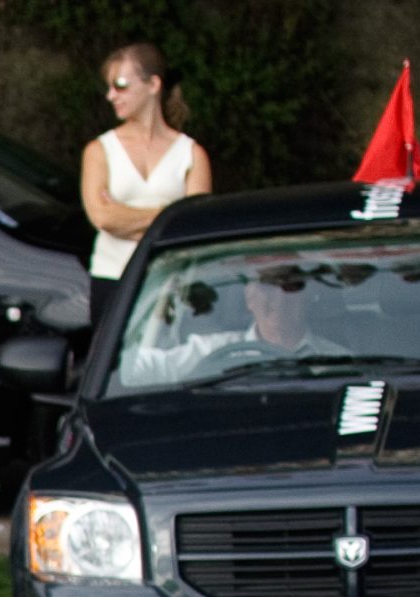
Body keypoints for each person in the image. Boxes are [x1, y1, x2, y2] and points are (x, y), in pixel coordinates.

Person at [82, 43, 211, 326]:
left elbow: (196, 225)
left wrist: (127, 217)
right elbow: (102, 217)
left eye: (121, 85)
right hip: (113, 277)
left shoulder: (191, 154)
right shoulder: (99, 150)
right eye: (110, 87)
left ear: (153, 84)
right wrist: (168, 213)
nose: (111, 95)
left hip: (171, 281)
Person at [114, 264, 346, 387]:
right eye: (267, 287)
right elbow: (134, 369)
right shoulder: (209, 352)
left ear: (305, 297)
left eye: (290, 287)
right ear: (250, 298)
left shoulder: (338, 361)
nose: (278, 298)